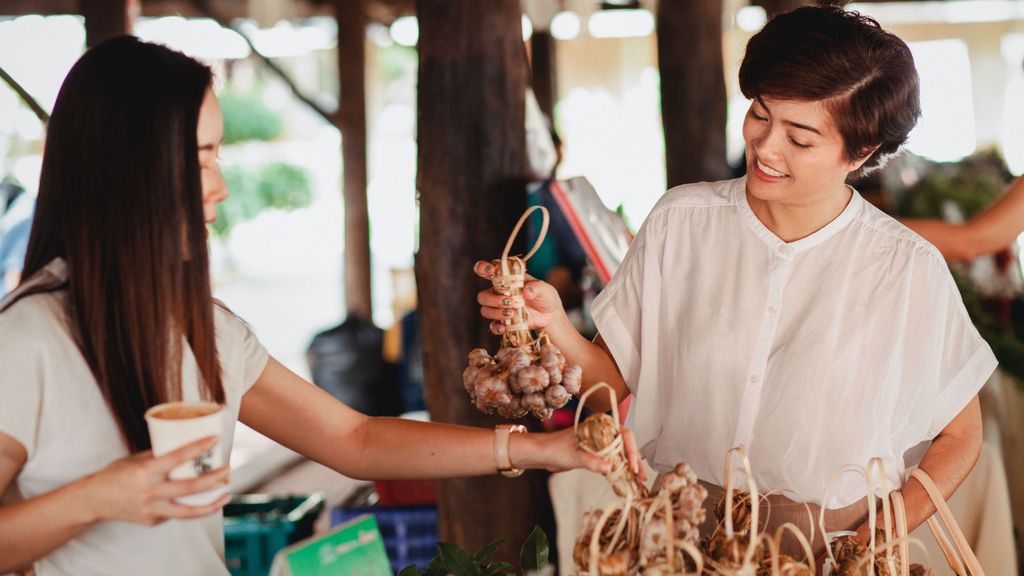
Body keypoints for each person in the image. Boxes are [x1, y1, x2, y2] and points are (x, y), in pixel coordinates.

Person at [0, 37, 643, 576]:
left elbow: (353, 439)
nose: (220, 185)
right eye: (198, 160)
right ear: (125, 169)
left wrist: (541, 451)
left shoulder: (207, 330)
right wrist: (98, 496)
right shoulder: (28, 339)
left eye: (217, 155)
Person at [479, 5, 994, 562]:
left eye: (799, 139)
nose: (766, 148)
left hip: (829, 546)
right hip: (678, 534)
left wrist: (886, 530)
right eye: (759, 114)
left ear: (861, 151)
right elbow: (610, 385)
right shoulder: (682, 222)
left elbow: (962, 436)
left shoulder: (905, 268)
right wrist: (552, 322)